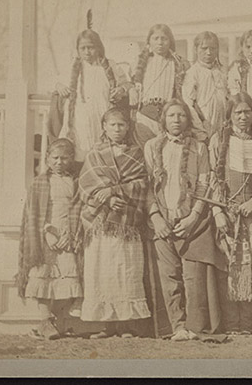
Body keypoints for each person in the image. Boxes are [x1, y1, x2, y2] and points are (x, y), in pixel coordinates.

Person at [144, 99, 228, 341]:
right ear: (164, 120)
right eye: (171, 116)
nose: (176, 120)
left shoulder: (200, 148)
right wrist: (156, 217)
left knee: (193, 277)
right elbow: (147, 186)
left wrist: (193, 216)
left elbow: (204, 184)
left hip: (191, 221)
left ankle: (193, 327)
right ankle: (176, 327)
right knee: (168, 277)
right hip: (161, 219)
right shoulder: (152, 146)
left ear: (188, 120)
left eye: (181, 115)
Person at [209, 93, 252, 334]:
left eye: (247, 112)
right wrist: (218, 212)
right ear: (230, 115)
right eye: (237, 112)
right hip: (226, 212)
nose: (242, 116)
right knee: (228, 265)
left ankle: (247, 323)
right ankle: (230, 324)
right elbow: (213, 178)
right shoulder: (219, 139)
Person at [78, 107, 151, 338]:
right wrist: (107, 199)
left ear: (128, 127)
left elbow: (141, 183)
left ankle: (126, 325)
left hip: (126, 222)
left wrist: (115, 191)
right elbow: (85, 185)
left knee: (125, 269)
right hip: (101, 222)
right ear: (104, 127)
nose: (117, 129)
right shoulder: (94, 154)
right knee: (102, 270)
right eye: (112, 125)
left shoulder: (137, 153)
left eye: (121, 125)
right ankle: (105, 326)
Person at [17, 138, 84, 340]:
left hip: (69, 234)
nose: (59, 162)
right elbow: (32, 214)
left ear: (71, 159)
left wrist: (70, 234)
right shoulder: (39, 183)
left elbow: (79, 210)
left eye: (64, 158)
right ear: (47, 159)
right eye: (55, 158)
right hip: (46, 235)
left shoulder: (77, 182)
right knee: (43, 277)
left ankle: (56, 321)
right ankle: (45, 320)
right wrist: (46, 232)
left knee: (68, 277)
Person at [50, 10, 132, 162]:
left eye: (91, 47)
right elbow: (56, 82)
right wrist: (59, 85)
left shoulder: (110, 66)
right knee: (81, 151)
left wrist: (121, 89)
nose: (87, 52)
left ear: (99, 48)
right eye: (83, 48)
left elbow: (127, 83)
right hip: (79, 118)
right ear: (78, 50)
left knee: (102, 153)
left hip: (103, 114)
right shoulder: (73, 67)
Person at [130, 24, 191, 146]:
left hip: (168, 115)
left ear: (170, 41)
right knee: (145, 151)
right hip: (145, 114)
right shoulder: (140, 62)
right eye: (155, 38)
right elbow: (130, 83)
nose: (160, 42)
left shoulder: (179, 63)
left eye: (164, 38)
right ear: (149, 41)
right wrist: (131, 88)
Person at [182, 31, 228, 142]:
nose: (208, 52)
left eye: (213, 48)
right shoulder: (192, 73)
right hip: (203, 124)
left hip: (222, 123)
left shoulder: (222, 72)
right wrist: (201, 130)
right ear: (196, 49)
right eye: (204, 48)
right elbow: (190, 105)